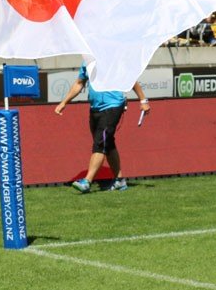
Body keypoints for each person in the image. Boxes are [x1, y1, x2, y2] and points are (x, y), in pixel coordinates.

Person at [55, 63, 148, 193]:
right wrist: (64, 102)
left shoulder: (112, 59)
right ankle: (120, 181)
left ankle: (87, 181)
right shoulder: (87, 62)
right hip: (95, 108)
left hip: (113, 106)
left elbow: (130, 80)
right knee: (107, 143)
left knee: (100, 143)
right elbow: (79, 83)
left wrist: (143, 101)